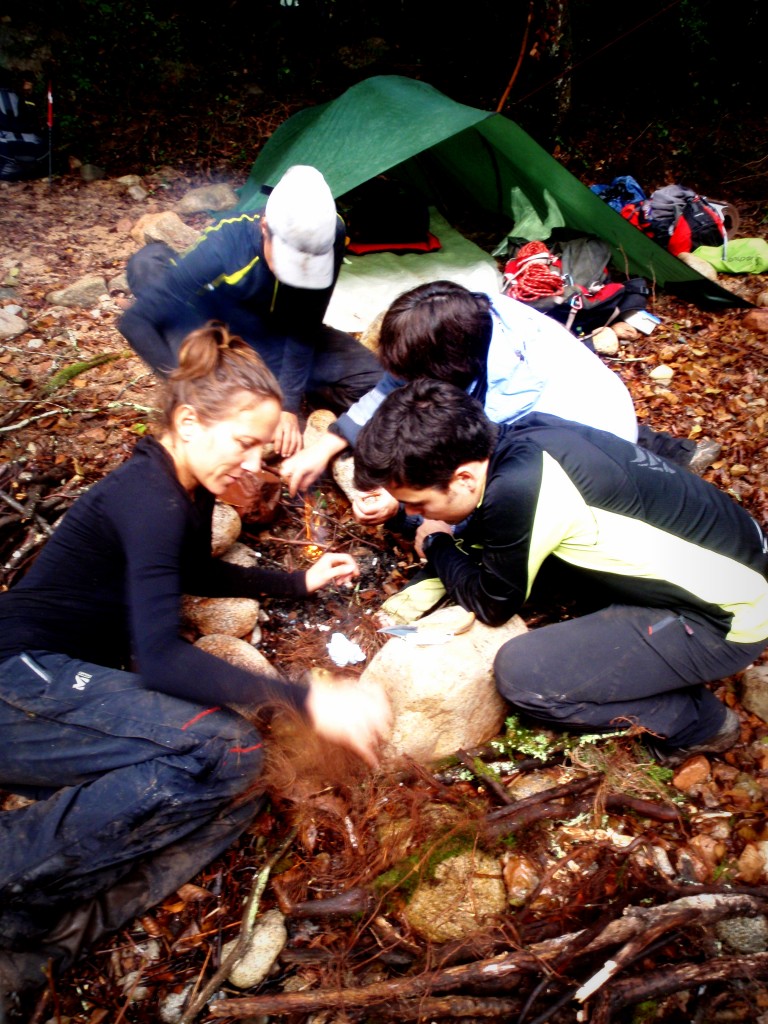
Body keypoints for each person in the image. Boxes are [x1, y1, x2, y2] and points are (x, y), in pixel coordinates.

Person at [0, 323, 391, 998]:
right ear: (186, 421)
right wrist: (307, 699)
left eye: (259, 449)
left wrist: (297, 583)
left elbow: (190, 571)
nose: (250, 464)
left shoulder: (181, 486)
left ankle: (54, 933)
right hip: (18, 682)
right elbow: (159, 658)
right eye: (243, 443)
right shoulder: (145, 495)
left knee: (237, 788)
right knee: (228, 749)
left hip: (55, 700)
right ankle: (13, 871)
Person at [352, 378, 768, 767]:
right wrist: (418, 521)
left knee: (524, 675)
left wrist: (436, 543)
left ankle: (697, 724)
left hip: (728, 621)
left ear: (463, 477)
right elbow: (487, 532)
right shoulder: (524, 433)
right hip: (742, 560)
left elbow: (489, 602)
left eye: (418, 504)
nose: (413, 512)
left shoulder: (519, 489)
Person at [282, 280, 716, 518]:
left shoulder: (515, 390)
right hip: (577, 407)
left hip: (589, 439)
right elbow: (394, 385)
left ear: (449, 373)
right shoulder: (463, 317)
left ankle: (649, 454)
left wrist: (407, 500)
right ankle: (659, 447)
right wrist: (328, 445)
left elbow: (480, 468)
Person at [118, 164, 383, 458]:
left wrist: (288, 405)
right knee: (146, 264)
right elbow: (136, 321)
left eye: (309, 264)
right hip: (223, 337)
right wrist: (185, 389)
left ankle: (305, 407)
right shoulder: (227, 243)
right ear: (265, 228)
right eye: (290, 260)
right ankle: (250, 393)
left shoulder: (329, 234)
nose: (299, 271)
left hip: (280, 336)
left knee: (377, 383)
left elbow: (305, 326)